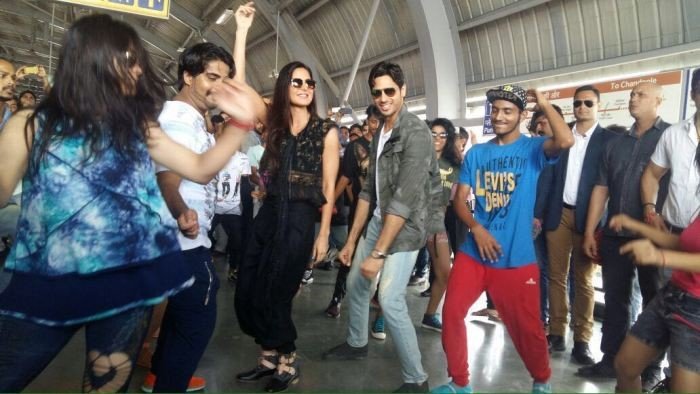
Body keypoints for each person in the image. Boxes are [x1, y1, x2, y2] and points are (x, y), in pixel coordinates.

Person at [0, 13, 256, 392]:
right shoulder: (30, 124)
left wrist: (240, 124)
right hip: (48, 282)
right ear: (92, 60)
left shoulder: (139, 125)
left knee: (107, 387)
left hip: (126, 287)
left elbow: (200, 168)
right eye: (129, 58)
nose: (138, 69)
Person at [434, 85, 574, 394]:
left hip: (515, 256)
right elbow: (459, 201)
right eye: (495, 110)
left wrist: (545, 103)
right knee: (453, 312)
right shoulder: (478, 153)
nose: (498, 116)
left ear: (522, 116)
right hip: (474, 252)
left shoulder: (533, 149)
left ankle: (541, 379)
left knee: (528, 329)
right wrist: (476, 228)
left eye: (507, 111)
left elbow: (565, 140)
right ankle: (459, 383)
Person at [322, 61, 441, 393]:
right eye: (378, 92)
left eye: (390, 90)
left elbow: (403, 201)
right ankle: (357, 343)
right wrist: (351, 241)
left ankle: (417, 380)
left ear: (403, 90)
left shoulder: (416, 134)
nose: (384, 97)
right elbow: (367, 192)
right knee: (358, 285)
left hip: (405, 229)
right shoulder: (380, 133)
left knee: (389, 299)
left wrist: (377, 252)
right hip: (378, 221)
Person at [234, 61, 339, 393]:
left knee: (277, 292)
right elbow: (239, 85)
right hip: (269, 214)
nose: (306, 87)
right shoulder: (273, 125)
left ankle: (286, 359)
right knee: (248, 287)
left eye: (310, 82)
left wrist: (323, 234)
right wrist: (241, 31)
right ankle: (267, 357)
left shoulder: (327, 131)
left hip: (299, 219)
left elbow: (329, 184)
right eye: (297, 81)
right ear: (284, 86)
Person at [608, 207, 700, 393]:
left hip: (695, 313)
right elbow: (684, 243)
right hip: (671, 295)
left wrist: (658, 256)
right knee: (625, 367)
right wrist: (637, 226)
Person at [420, 118, 462, 332]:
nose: (437, 138)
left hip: (437, 221)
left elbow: (452, 199)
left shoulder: (454, 165)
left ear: (449, 138)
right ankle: (381, 316)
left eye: (442, 134)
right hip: (411, 219)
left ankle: (430, 315)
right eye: (433, 133)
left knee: (445, 272)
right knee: (398, 273)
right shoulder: (416, 158)